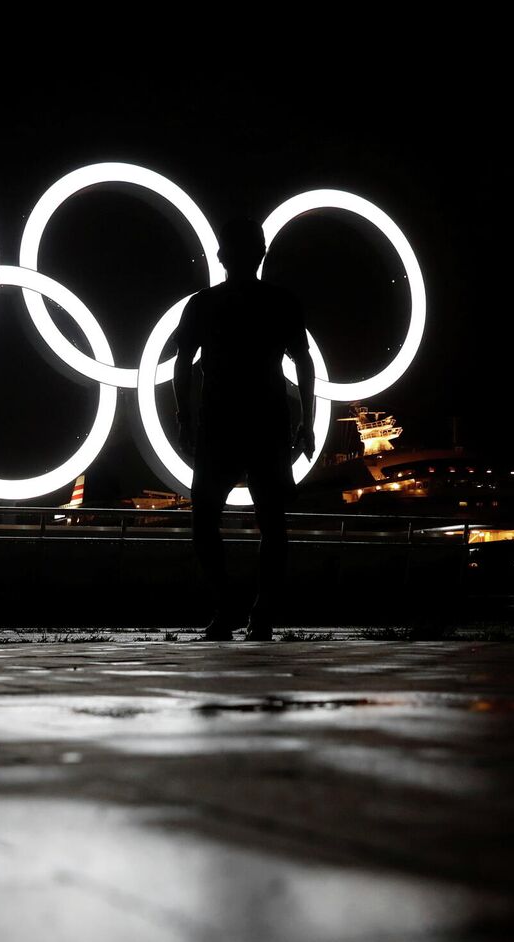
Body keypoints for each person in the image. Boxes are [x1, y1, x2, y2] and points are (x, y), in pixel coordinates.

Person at [171, 218, 316, 641]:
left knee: (204, 519)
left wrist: (185, 418)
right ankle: (261, 612)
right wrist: (306, 418)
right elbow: (303, 362)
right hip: (268, 417)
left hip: (219, 419)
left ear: (221, 256)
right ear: (261, 254)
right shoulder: (281, 301)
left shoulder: (202, 304)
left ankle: (228, 608)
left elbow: (183, 363)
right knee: (272, 522)